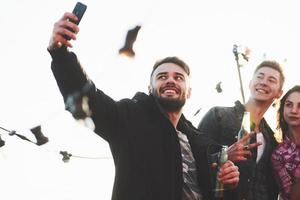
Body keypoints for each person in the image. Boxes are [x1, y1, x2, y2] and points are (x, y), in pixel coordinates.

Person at [47, 12, 240, 200]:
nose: (170, 81)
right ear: (150, 88)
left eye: (178, 77)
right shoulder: (129, 118)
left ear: (188, 91)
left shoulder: (202, 143)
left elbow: (217, 193)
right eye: (162, 76)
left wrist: (228, 184)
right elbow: (90, 99)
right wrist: (60, 54)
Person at [198, 60, 285, 200]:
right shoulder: (218, 115)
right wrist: (224, 156)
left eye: (271, 80)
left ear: (279, 93)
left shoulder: (272, 139)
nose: (263, 82)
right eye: (260, 76)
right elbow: (193, 160)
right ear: (250, 83)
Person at [271, 85, 300, 200]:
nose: (294, 111)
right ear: (282, 110)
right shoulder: (278, 155)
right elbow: (291, 196)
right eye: (289, 105)